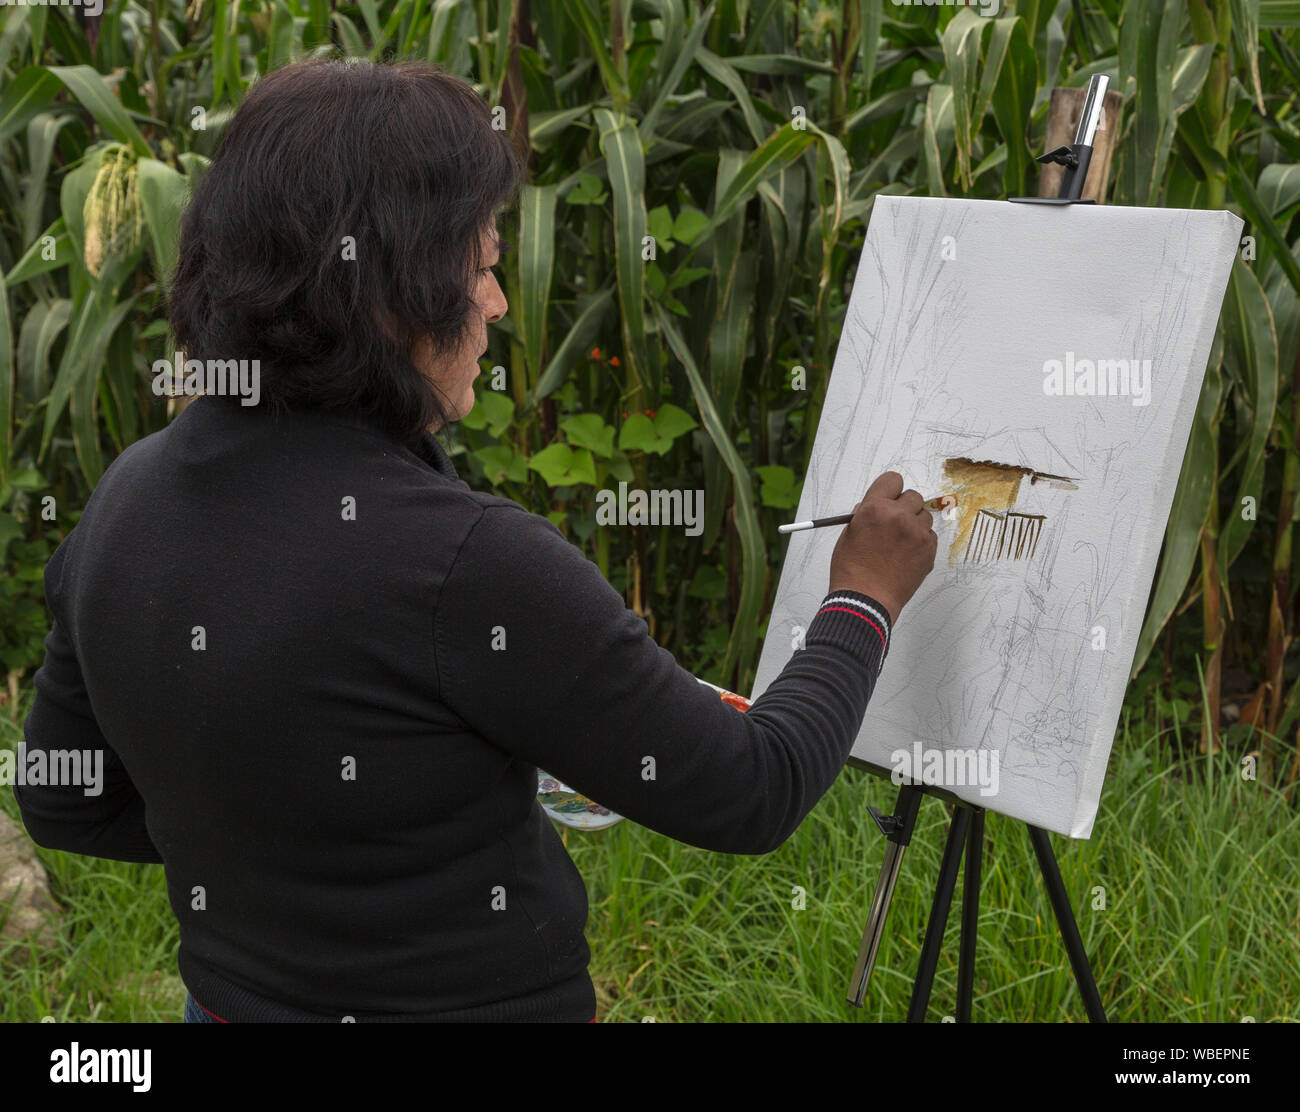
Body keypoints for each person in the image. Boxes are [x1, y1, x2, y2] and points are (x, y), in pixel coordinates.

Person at [13, 58, 938, 1023]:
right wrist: (862, 597)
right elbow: (753, 788)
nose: (497, 303)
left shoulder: (124, 502)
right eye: (483, 266)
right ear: (391, 291)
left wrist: (290, 831)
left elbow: (65, 799)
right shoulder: (470, 566)